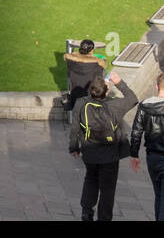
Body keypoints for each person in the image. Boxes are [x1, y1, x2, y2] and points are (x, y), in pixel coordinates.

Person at [69, 72, 138, 221]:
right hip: (110, 154)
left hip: (89, 152)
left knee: (91, 179)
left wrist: (73, 147)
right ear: (107, 91)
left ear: (90, 90)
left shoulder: (81, 103)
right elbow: (133, 99)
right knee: (107, 189)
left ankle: (86, 211)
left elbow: (75, 127)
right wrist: (119, 82)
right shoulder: (115, 105)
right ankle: (104, 218)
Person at [129, 72, 164, 222]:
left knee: (159, 195)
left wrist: (134, 154)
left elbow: (136, 131)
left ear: (156, 86)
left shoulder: (145, 105)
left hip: (153, 157)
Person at [63, 40, 106, 108]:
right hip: (90, 100)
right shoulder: (98, 64)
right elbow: (99, 83)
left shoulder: (70, 60)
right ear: (91, 51)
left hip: (74, 98)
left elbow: (69, 74)